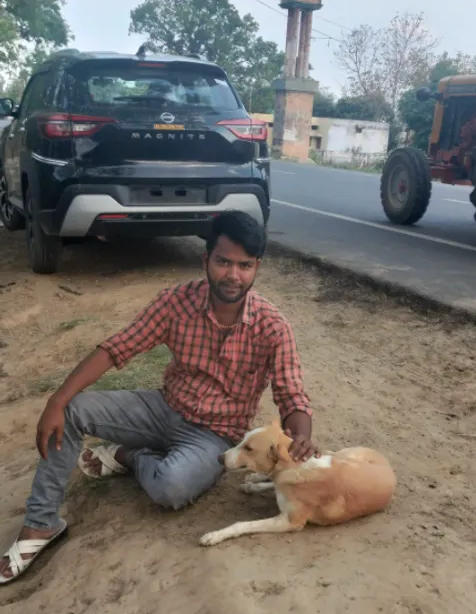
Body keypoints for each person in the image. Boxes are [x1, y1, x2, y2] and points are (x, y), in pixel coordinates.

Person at [0, 211, 316, 584]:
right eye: (224, 262)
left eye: (245, 265)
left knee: (171, 487)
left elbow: (291, 394)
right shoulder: (176, 303)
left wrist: (300, 434)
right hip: (161, 409)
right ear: (206, 260)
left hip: (212, 437)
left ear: (256, 268)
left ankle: (130, 456)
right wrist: (56, 400)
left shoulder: (272, 327)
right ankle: (41, 525)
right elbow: (117, 348)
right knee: (71, 410)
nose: (234, 275)